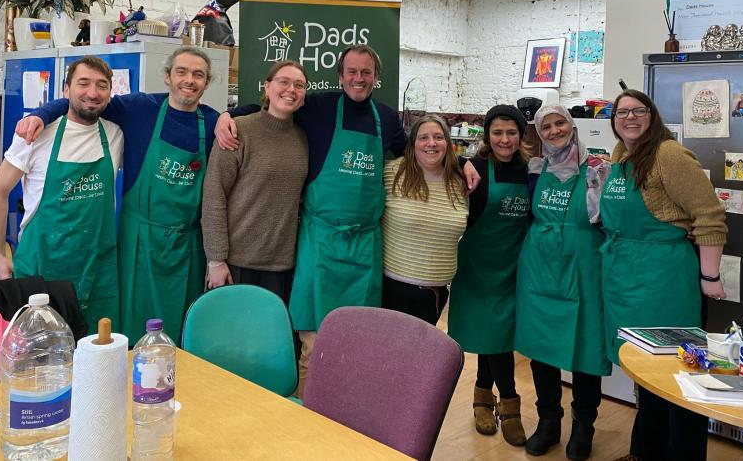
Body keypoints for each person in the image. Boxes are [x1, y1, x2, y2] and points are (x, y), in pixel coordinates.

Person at [215, 45, 407, 393]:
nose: (358, 78)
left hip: (364, 247)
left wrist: (464, 165)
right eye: (351, 71)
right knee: (313, 344)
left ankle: (349, 411)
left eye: (366, 72)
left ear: (376, 78)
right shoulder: (318, 106)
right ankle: (309, 413)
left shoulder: (388, 119)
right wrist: (226, 116)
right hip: (320, 242)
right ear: (340, 76)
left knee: (357, 341)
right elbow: (272, 110)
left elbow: (419, 157)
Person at [14, 47, 220, 343]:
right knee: (135, 326)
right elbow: (84, 102)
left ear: (207, 82)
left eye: (198, 74)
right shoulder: (140, 108)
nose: (189, 80)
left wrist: (228, 116)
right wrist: (41, 113)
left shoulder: (213, 123)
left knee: (186, 326)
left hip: (187, 245)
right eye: (181, 72)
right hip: (138, 242)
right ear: (167, 77)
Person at [601, 90, 726, 461]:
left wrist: (710, 276)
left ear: (652, 116)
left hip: (666, 277)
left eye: (639, 111)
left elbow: (710, 215)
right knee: (646, 372)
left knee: (679, 375)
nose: (630, 118)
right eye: (622, 112)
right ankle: (644, 452)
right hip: (626, 274)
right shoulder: (620, 156)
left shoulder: (669, 155)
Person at [0, 56, 124, 331]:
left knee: (97, 354)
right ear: (65, 90)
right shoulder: (36, 134)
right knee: (40, 356)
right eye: (83, 83)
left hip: (96, 269)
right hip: (42, 266)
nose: (92, 93)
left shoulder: (116, 134)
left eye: (102, 85)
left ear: (111, 92)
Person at [514, 104, 611, 461]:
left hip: (584, 266)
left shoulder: (598, 170)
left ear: (572, 125)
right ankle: (548, 421)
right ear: (538, 133)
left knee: (586, 350)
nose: (554, 131)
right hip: (539, 265)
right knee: (542, 348)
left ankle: (584, 425)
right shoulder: (536, 170)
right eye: (546, 127)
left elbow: (613, 218)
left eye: (560, 123)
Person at [448, 105, 531, 446]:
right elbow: (437, 157)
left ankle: (483, 397)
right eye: (497, 132)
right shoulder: (476, 168)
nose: (504, 139)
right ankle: (509, 406)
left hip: (515, 267)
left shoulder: (531, 171)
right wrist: (460, 161)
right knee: (490, 338)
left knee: (497, 339)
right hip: (478, 269)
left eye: (511, 132)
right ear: (487, 136)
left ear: (520, 136)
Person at [201, 61, 309, 304]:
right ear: (267, 87)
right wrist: (216, 260)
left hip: (282, 266)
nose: (291, 89)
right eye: (283, 81)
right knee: (229, 339)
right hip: (235, 263)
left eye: (299, 85)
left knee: (270, 339)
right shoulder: (237, 131)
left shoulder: (303, 138)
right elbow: (214, 195)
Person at [380, 115, 467, 326]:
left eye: (438, 137)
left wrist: (465, 163)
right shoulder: (392, 172)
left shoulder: (461, 181)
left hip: (434, 294)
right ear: (412, 144)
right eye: (423, 137)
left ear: (448, 142)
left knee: (420, 357)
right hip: (391, 289)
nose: (431, 143)